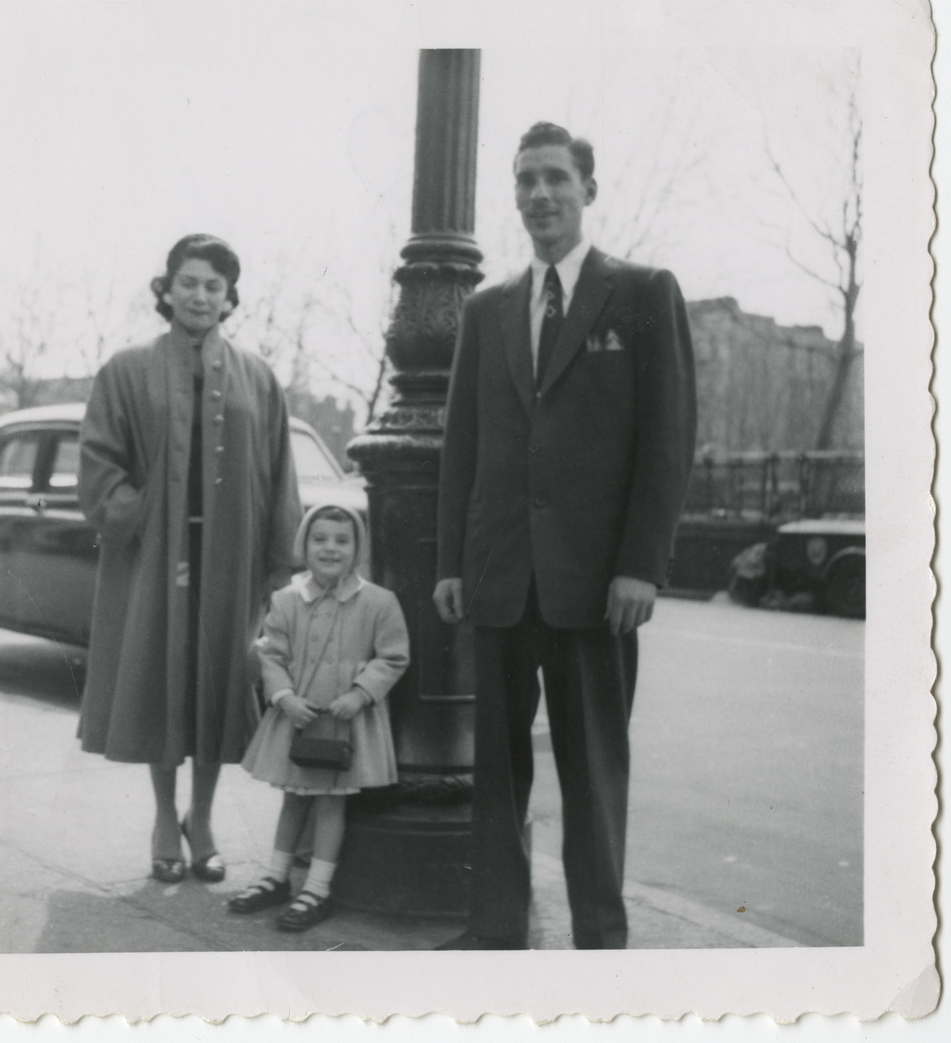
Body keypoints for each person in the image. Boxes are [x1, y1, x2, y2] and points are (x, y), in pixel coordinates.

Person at [433, 122, 697, 949]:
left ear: (587, 189)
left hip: (595, 588)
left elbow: (667, 439)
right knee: (497, 772)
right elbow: (462, 446)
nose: (538, 195)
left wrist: (639, 567)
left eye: (554, 178)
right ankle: (496, 929)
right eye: (524, 181)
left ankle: (599, 941)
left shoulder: (643, 292)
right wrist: (451, 561)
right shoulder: (488, 309)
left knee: (591, 773)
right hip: (502, 577)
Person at [77, 233, 302, 884]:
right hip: (155, 558)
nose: (201, 295)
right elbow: (98, 465)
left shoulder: (257, 378)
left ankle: (200, 819)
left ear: (230, 298)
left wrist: (277, 564)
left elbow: (279, 473)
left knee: (216, 688)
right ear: (167, 289)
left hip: (229, 559)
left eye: (214, 286)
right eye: (190, 282)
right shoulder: (126, 369)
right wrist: (141, 516)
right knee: (160, 683)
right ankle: (160, 817)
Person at [231, 504, 410, 931]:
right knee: (293, 797)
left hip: (346, 721)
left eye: (342, 540)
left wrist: (361, 693)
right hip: (297, 717)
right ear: (304, 544)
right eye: (320, 539)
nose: (330, 548)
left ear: (357, 548)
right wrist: (283, 695)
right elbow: (270, 653)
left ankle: (318, 887)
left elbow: (393, 656)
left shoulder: (379, 603)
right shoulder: (287, 599)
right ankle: (275, 877)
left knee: (331, 803)